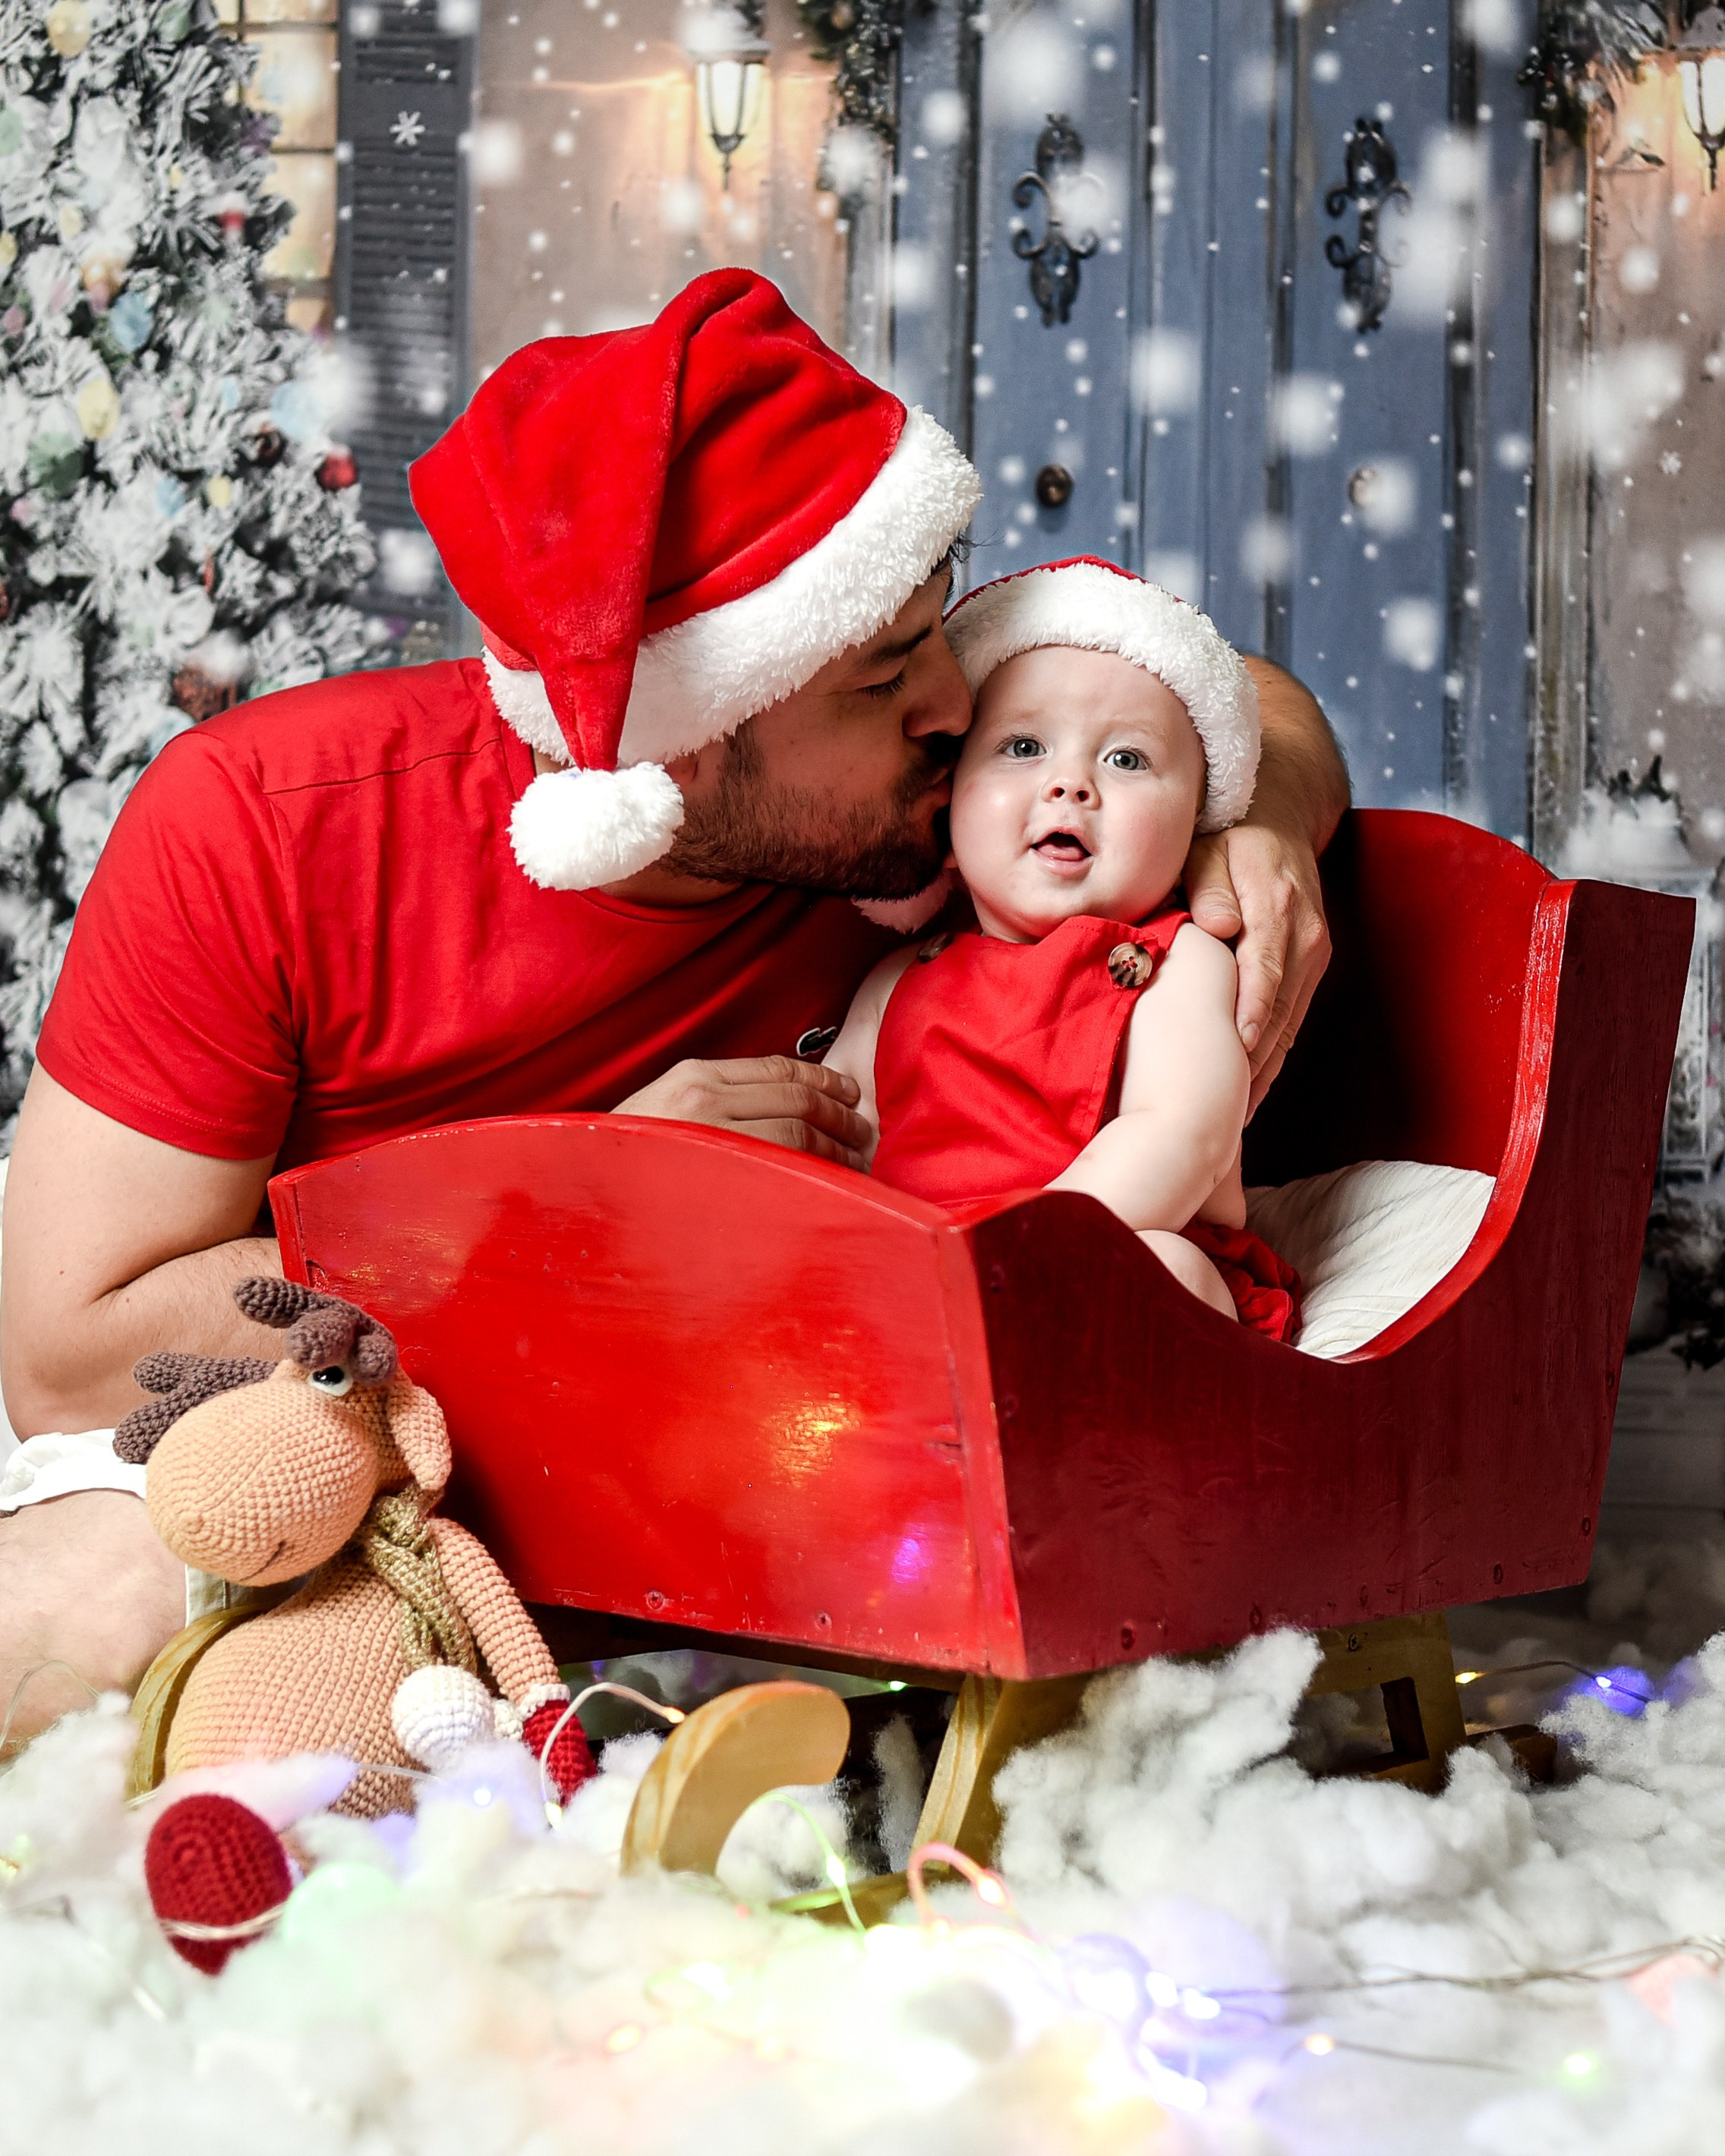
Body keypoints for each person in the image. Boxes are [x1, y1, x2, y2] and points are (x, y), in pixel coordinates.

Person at [0, 272, 1348, 1747]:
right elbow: (67, 1354)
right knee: (99, 1623)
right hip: (310, 1408)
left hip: (724, 1447)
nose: (959, 708)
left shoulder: (923, 815)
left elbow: (1234, 685)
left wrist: (1259, 811)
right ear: (688, 750)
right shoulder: (267, 820)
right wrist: (571, 1191)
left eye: (939, 632)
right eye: (884, 675)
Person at [824, 557, 1300, 1339]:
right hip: (919, 1287)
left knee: (1165, 1273)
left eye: (1126, 759)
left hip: (1093, 1259)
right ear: (946, 809)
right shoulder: (900, 980)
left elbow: (1181, 1130)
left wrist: (1029, 1256)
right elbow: (845, 1132)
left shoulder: (1178, 965)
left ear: (1197, 825)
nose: (1071, 783)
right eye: (1021, 747)